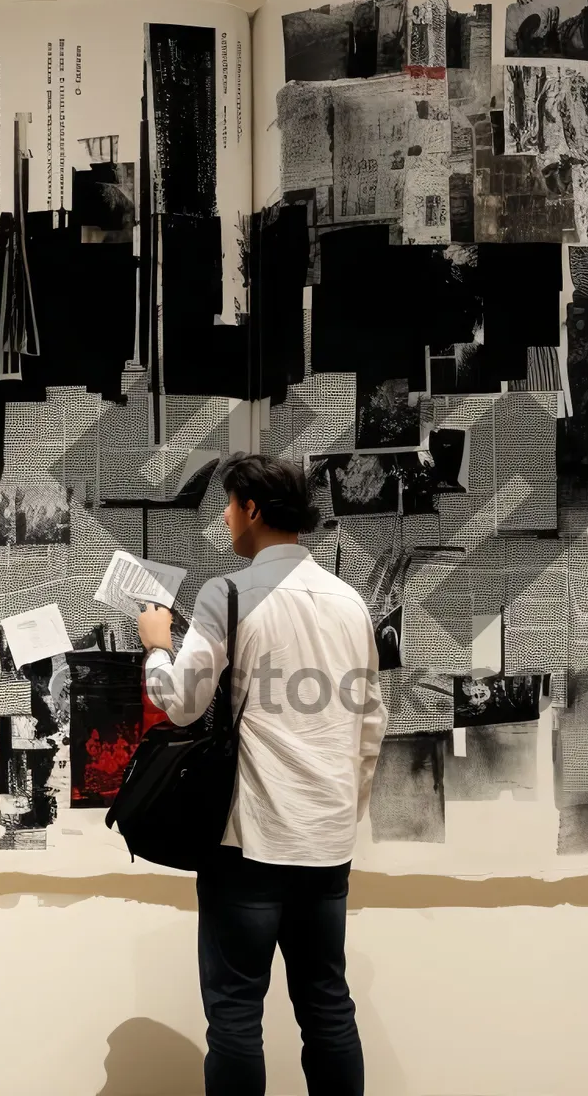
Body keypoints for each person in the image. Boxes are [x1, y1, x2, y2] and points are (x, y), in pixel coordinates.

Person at [136, 453, 387, 1096]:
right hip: (326, 846)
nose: (224, 518)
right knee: (328, 1008)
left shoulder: (230, 593)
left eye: (228, 505)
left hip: (248, 842)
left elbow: (184, 701)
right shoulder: (350, 602)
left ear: (252, 510)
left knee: (237, 1018)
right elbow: (370, 723)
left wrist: (157, 644)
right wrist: (342, 812)